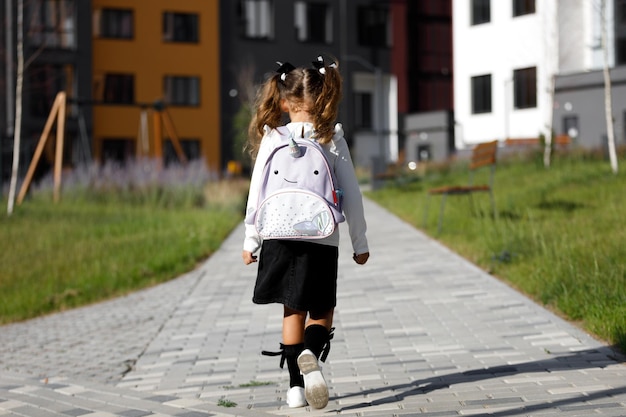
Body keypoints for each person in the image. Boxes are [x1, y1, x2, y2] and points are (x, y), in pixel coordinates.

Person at [242, 55, 370, 409]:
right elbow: (353, 196)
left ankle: (296, 389)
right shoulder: (332, 138)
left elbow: (257, 192)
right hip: (321, 237)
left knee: (292, 310)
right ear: (325, 98)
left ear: (284, 102)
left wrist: (250, 240)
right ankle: (311, 354)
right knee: (321, 309)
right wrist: (360, 243)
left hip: (278, 235)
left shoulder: (272, 138)